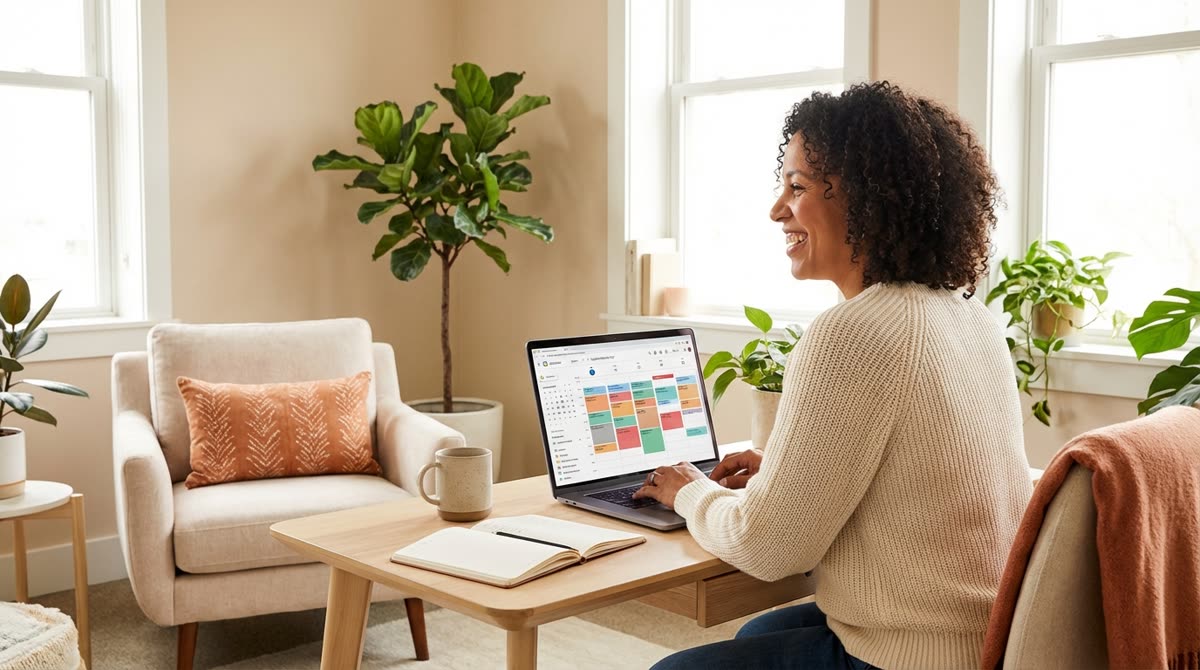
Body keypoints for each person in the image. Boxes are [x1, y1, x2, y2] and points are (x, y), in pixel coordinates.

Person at [633, 81, 1034, 670]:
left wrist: (689, 490)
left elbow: (767, 548)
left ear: (870, 199)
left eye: (797, 187)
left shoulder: (853, 334)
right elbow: (926, 481)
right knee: (759, 634)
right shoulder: (966, 315)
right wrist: (788, 477)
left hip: (911, 655)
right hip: (985, 637)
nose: (777, 209)